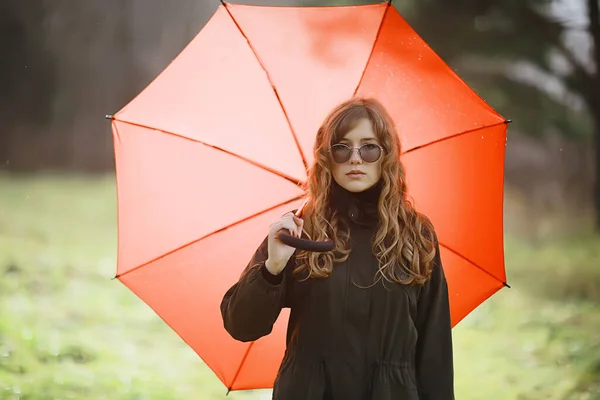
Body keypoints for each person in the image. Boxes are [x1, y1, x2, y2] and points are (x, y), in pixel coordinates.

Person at [220, 97, 454, 400]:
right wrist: (271, 269)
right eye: (342, 148)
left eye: (369, 147)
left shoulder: (415, 233)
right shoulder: (299, 230)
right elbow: (241, 326)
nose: (355, 158)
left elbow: (434, 348)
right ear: (327, 158)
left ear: (387, 156)